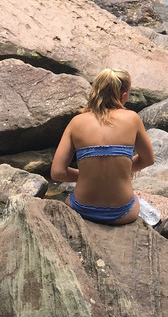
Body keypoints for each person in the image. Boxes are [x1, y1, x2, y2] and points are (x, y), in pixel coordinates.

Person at [51, 68, 155, 225]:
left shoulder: (76, 122)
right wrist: (119, 171)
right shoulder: (132, 119)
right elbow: (148, 160)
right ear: (124, 95)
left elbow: (57, 172)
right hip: (122, 212)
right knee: (139, 201)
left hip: (81, 209)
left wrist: (89, 174)